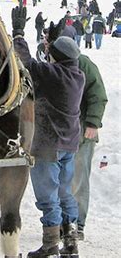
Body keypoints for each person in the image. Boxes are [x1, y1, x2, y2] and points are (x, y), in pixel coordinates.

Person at [11, 7, 84, 258]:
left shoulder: (53, 75)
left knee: (48, 197)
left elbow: (26, 63)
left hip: (48, 146)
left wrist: (19, 34)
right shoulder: (77, 75)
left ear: (57, 58)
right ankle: (71, 242)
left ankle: (50, 245)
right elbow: (54, 62)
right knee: (65, 193)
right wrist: (52, 43)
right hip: (69, 145)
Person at [72, 53, 107, 241]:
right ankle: (60, 222)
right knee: (62, 181)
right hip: (61, 134)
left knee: (78, 178)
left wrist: (92, 123)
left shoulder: (82, 62)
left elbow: (98, 94)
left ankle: (77, 225)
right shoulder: (50, 59)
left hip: (83, 133)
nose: (45, 42)